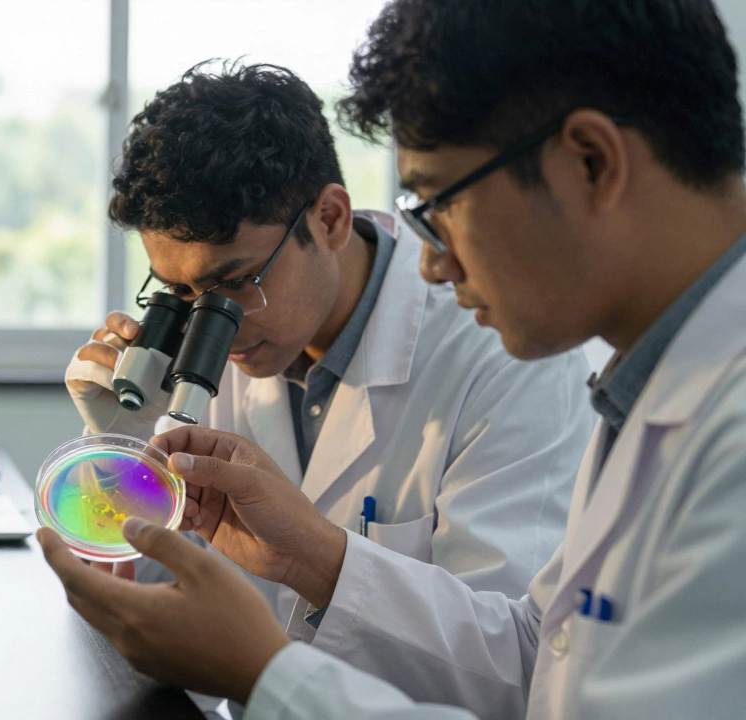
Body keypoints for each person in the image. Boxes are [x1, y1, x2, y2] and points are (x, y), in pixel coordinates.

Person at [40, 0, 746, 717]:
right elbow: (536, 657)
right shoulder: (656, 392)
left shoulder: (706, 421)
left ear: (589, 162)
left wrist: (271, 675)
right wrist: (132, 457)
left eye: (440, 201)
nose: (434, 264)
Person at [65, 62, 593, 624]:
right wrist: (123, 447)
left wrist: (322, 562)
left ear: (330, 219)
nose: (212, 325)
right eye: (180, 291)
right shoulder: (213, 354)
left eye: (237, 283)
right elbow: (146, 603)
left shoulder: (504, 361)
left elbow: (506, 656)